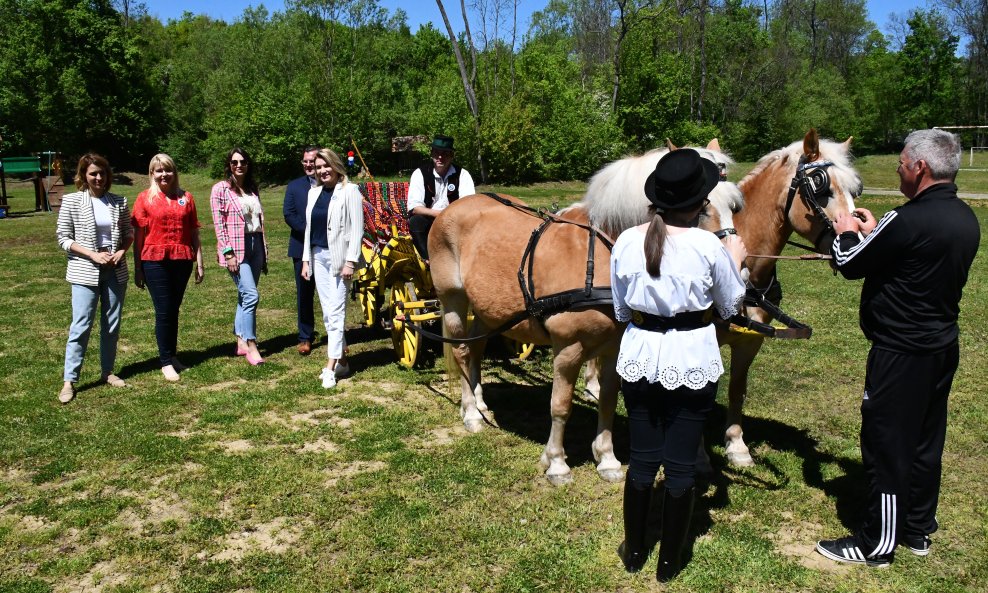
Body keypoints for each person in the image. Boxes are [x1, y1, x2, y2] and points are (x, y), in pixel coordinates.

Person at [816, 129, 980, 567]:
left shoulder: (905, 219)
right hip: (941, 347)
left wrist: (848, 231)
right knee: (926, 441)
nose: (898, 169)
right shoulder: (966, 218)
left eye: (902, 163)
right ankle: (917, 529)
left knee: (886, 443)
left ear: (920, 168)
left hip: (899, 354)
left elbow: (849, 263)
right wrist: (877, 234)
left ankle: (876, 544)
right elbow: (912, 259)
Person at [610, 149, 747, 582]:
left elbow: (619, 310)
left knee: (643, 460)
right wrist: (737, 262)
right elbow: (729, 307)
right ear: (701, 202)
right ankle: (668, 563)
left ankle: (634, 551)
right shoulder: (710, 246)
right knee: (681, 464)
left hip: (640, 356)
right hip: (690, 357)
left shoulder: (627, 241)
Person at [55, 154, 134, 403]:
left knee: (111, 324)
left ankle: (107, 372)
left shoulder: (118, 201)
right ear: (83, 176)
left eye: (102, 173)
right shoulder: (71, 201)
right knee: (81, 325)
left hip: (115, 270)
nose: (98, 178)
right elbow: (63, 238)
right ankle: (69, 380)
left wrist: (121, 251)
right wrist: (92, 254)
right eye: (93, 174)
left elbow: (129, 232)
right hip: (84, 270)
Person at [132, 153, 205, 382]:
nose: (164, 174)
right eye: (159, 170)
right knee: (164, 310)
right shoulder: (145, 198)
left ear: (174, 172)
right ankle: (165, 362)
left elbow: (193, 230)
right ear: (152, 174)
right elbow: (139, 235)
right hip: (154, 261)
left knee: (174, 309)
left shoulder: (186, 197)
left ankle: (172, 356)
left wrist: (199, 261)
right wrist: (138, 268)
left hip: (182, 259)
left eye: (168, 170)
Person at [300, 148, 363, 389]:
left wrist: (351, 261)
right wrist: (306, 260)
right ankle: (344, 362)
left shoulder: (350, 191)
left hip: (340, 260)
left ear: (335, 166)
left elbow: (357, 230)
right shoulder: (313, 192)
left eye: (326, 166)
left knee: (336, 313)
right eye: (318, 168)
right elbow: (308, 230)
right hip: (318, 256)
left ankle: (330, 367)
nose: (323, 171)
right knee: (328, 313)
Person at [211, 147, 269, 366]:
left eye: (243, 161)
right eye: (234, 162)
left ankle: (240, 342)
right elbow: (219, 224)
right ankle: (251, 344)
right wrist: (228, 253)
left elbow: (259, 221)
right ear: (229, 165)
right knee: (251, 295)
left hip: (255, 245)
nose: (239, 165)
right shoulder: (221, 189)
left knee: (245, 295)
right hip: (236, 248)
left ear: (248, 164)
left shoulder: (252, 188)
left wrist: (263, 250)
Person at [406, 135, 475, 262]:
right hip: (429, 218)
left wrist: (449, 216)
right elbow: (415, 208)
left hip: (455, 220)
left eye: (445, 154)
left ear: (452, 155)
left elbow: (468, 205)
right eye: (436, 153)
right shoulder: (420, 173)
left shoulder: (463, 175)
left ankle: (467, 261)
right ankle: (428, 261)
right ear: (432, 153)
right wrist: (439, 214)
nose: (440, 157)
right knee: (416, 221)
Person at [283, 146, 319, 355]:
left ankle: (336, 337)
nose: (308, 165)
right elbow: (289, 213)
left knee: (328, 294)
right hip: (300, 248)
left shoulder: (330, 186)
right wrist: (309, 232)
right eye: (305, 161)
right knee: (304, 294)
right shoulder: (294, 186)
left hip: (325, 248)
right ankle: (305, 336)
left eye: (312, 161)